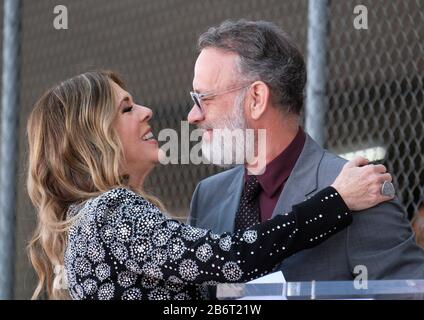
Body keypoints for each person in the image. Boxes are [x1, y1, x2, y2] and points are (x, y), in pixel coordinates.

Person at [27, 71, 391, 300]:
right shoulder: (111, 213)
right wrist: (336, 200)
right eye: (126, 109)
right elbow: (234, 258)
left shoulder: (86, 220)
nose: (146, 111)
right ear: (94, 138)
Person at [187, 19, 424, 281]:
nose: (193, 115)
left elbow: (408, 291)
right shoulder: (208, 196)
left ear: (256, 99)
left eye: (203, 98)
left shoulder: (363, 189)